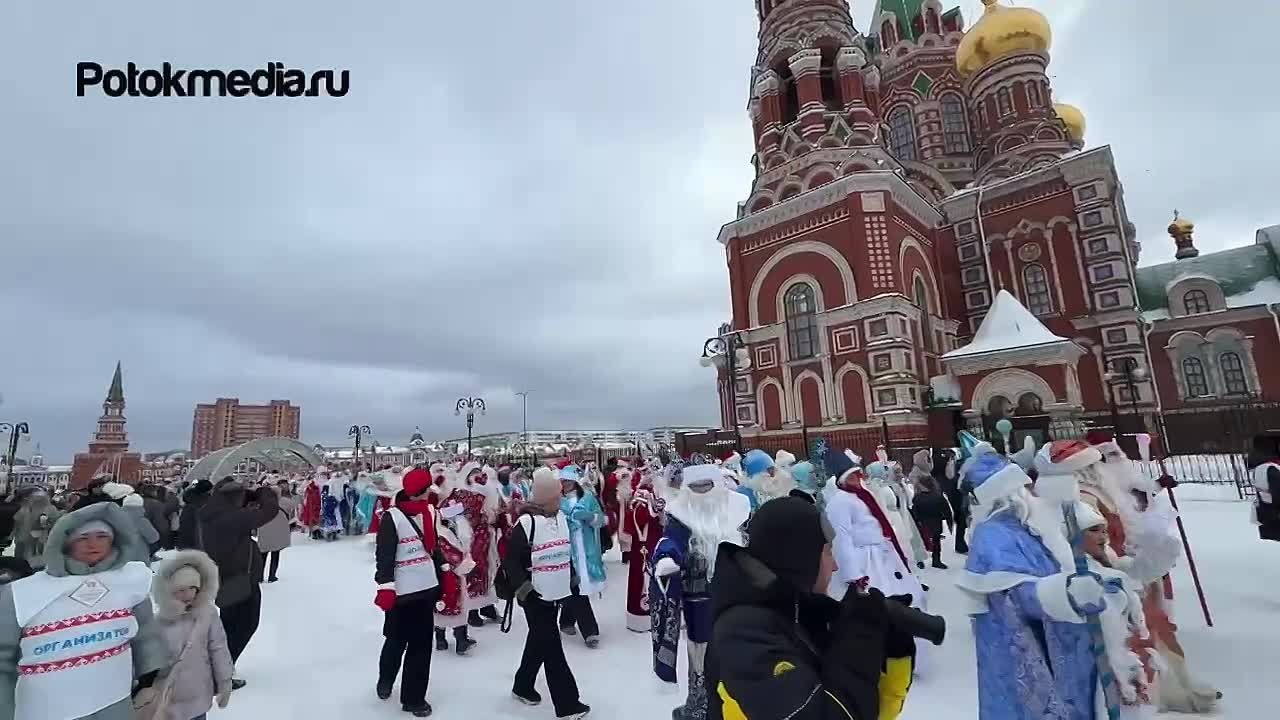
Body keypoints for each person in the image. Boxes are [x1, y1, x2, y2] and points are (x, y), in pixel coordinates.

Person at [706, 496, 924, 720]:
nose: (836, 566)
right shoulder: (742, 633)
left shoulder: (797, 610)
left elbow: (863, 708)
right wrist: (860, 633)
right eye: (828, 552)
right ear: (799, 556)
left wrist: (892, 652)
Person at [954, 448, 1101, 720]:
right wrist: (1067, 595)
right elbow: (1019, 594)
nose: (1030, 493)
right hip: (1018, 646)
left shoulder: (1026, 526)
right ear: (1008, 495)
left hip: (1046, 636)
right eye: (1023, 489)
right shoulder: (993, 534)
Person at [0, 502, 168, 720]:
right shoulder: (23, 593)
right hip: (45, 707)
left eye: (102, 536)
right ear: (65, 542)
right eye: (83, 538)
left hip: (113, 701)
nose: (93, 544)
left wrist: (149, 680)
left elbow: (146, 635)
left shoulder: (130, 582)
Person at [651, 462, 750, 720]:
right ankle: (701, 707)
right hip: (700, 598)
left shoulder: (740, 507)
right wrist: (665, 559)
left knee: (738, 648)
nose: (703, 492)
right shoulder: (680, 513)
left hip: (738, 594)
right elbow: (671, 541)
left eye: (707, 486)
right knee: (702, 655)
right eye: (696, 487)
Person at [504, 467, 591, 719]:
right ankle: (568, 705)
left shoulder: (560, 518)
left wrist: (572, 579)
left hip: (556, 592)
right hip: (534, 597)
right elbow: (512, 562)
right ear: (545, 498)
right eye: (556, 495)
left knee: (539, 640)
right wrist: (525, 591)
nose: (561, 497)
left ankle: (523, 685)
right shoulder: (526, 524)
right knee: (553, 649)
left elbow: (565, 552)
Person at [374, 468, 447, 717]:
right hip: (402, 591)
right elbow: (384, 556)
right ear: (420, 491)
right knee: (396, 640)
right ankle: (386, 678)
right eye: (427, 489)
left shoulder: (429, 512)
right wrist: (385, 587)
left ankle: (413, 698)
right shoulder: (391, 517)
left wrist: (443, 571)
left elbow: (433, 546)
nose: (430, 492)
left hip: (425, 588)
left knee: (420, 645)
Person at [1074, 502, 1157, 719]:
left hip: (1125, 654)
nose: (1103, 535)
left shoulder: (1105, 560)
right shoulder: (1077, 570)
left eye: (1103, 530)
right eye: (1093, 530)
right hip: (1100, 662)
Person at [196, 477, 279, 688]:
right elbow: (269, 512)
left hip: (227, 576)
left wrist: (247, 494)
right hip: (240, 578)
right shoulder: (231, 518)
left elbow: (230, 495)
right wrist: (266, 494)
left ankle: (215, 668)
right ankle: (220, 672)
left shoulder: (214, 512)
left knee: (229, 626)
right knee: (244, 625)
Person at [148, 549, 235, 720]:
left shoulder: (207, 615)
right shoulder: (158, 622)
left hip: (198, 695)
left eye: (192, 588)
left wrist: (225, 680)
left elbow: (218, 648)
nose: (188, 594)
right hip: (167, 699)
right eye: (181, 589)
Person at [558, 466, 605, 647]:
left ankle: (566, 621)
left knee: (575, 587)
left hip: (585, 549)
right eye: (563, 481)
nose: (566, 484)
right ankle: (590, 631)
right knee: (575, 587)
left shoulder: (588, 498)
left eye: (568, 481)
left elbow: (601, 520)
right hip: (565, 550)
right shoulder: (557, 501)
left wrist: (590, 517)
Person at [624, 474, 663, 632]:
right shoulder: (643, 501)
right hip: (643, 549)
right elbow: (638, 518)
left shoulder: (652, 499)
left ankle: (647, 614)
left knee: (647, 579)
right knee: (642, 580)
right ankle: (641, 615)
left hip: (649, 548)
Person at [907, 449, 953, 570]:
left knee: (935, 535)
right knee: (926, 534)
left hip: (932, 507)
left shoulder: (928, 472)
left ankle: (936, 558)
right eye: (927, 459)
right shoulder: (916, 473)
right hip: (925, 506)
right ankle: (924, 557)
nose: (929, 461)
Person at [10, 488, 61, 571]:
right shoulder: (48, 508)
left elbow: (17, 522)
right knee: (29, 553)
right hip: (29, 536)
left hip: (28, 536)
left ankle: (26, 568)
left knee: (29, 553)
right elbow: (17, 522)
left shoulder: (27, 508)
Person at [255, 482, 296, 584]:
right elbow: (293, 512)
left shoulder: (261, 503)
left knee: (263, 554)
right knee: (275, 553)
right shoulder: (285, 502)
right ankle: (272, 576)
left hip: (264, 530)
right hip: (279, 531)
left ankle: (259, 576)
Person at [933, 448, 968, 554]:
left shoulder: (939, 472)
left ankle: (960, 543)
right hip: (954, 496)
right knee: (961, 519)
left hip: (952, 495)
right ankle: (960, 544)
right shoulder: (950, 467)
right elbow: (951, 477)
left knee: (960, 519)